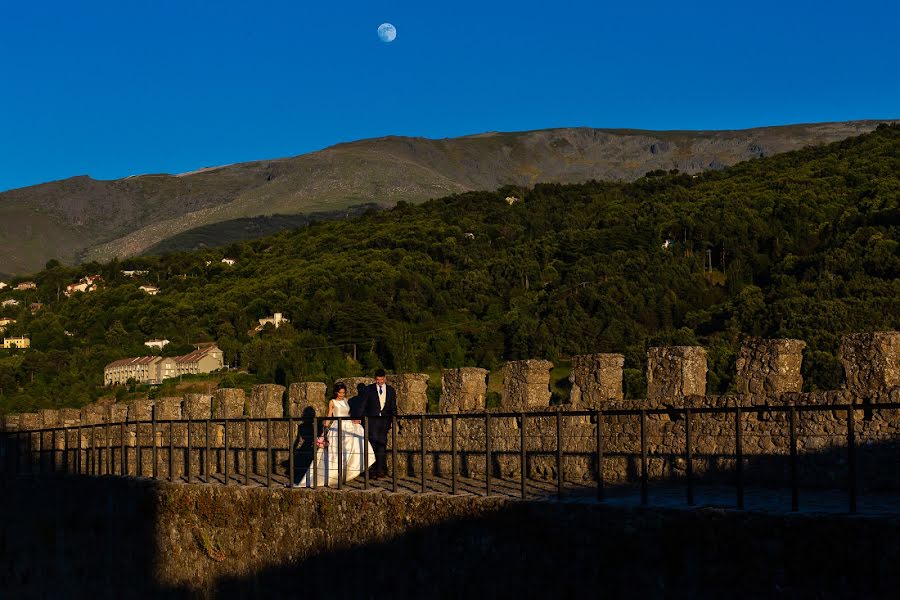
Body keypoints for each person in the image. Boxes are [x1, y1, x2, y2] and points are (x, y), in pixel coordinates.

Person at [296, 382, 374, 487]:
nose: (342, 394)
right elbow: (329, 415)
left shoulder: (346, 400)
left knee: (356, 444)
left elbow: (349, 414)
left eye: (343, 392)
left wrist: (354, 420)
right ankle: (334, 475)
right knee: (336, 452)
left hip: (349, 425)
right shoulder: (332, 402)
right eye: (340, 392)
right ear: (336, 392)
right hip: (338, 426)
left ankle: (349, 471)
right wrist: (323, 432)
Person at [351, 369, 397, 479]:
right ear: (375, 379)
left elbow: (393, 406)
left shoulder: (391, 390)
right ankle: (372, 471)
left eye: (381, 380)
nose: (379, 382)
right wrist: (358, 418)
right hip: (372, 422)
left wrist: (393, 421)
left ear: (385, 378)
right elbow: (363, 405)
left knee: (382, 445)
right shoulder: (369, 389)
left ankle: (380, 470)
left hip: (384, 421)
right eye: (377, 380)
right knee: (372, 445)